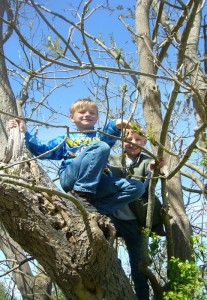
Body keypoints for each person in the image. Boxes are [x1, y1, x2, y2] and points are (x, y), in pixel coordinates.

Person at [7, 98, 145, 215]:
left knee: (137, 187)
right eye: (82, 112)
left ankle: (93, 210)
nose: (87, 115)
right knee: (101, 146)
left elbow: (111, 129)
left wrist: (119, 123)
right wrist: (25, 132)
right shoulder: (67, 138)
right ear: (72, 117)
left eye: (92, 113)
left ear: (97, 118)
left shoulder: (101, 136)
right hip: (71, 178)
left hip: (99, 184)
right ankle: (81, 193)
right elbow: (43, 151)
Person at [108, 128, 165, 300]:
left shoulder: (147, 161)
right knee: (105, 253)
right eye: (128, 138)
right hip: (112, 214)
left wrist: (155, 168)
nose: (133, 142)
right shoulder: (113, 159)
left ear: (144, 142)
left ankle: (142, 297)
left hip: (133, 218)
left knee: (138, 263)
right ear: (121, 141)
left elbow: (149, 179)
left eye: (138, 139)